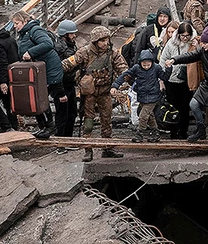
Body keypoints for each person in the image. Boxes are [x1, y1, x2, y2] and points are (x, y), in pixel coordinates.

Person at [61, 26, 127, 161]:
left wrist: (126, 82)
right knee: (88, 122)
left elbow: (123, 69)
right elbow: (67, 64)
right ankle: (88, 149)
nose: (105, 43)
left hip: (105, 92)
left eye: (107, 40)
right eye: (102, 41)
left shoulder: (113, 53)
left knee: (107, 120)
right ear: (95, 41)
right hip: (88, 94)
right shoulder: (84, 52)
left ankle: (108, 148)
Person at [12, 11, 64, 140]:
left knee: (40, 97)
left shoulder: (34, 30)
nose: (15, 26)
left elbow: (47, 44)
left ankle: (50, 126)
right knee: (36, 97)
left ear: (24, 21)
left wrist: (30, 52)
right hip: (39, 71)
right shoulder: (25, 33)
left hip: (49, 70)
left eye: (16, 23)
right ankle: (44, 127)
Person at [112, 49, 166, 142]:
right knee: (149, 116)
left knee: (143, 116)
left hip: (153, 95)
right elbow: (125, 75)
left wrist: (169, 69)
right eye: (144, 65)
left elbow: (164, 77)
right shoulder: (136, 68)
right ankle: (155, 132)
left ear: (152, 63)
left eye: (148, 65)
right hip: (142, 95)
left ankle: (140, 133)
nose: (146, 67)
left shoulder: (156, 68)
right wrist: (115, 85)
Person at [158, 22, 198, 139]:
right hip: (171, 79)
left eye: (187, 36)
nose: (185, 38)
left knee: (185, 107)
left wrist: (197, 46)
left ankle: (183, 131)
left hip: (187, 80)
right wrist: (161, 79)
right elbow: (163, 60)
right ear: (179, 35)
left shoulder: (193, 43)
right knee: (172, 106)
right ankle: (173, 131)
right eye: (183, 36)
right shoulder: (171, 43)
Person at [52, 19, 79, 136]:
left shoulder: (71, 46)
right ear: (65, 34)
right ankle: (61, 139)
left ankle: (68, 138)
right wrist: (60, 92)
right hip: (61, 85)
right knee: (62, 114)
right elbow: (56, 71)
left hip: (70, 84)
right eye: (72, 33)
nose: (74, 36)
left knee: (72, 112)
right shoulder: (59, 49)